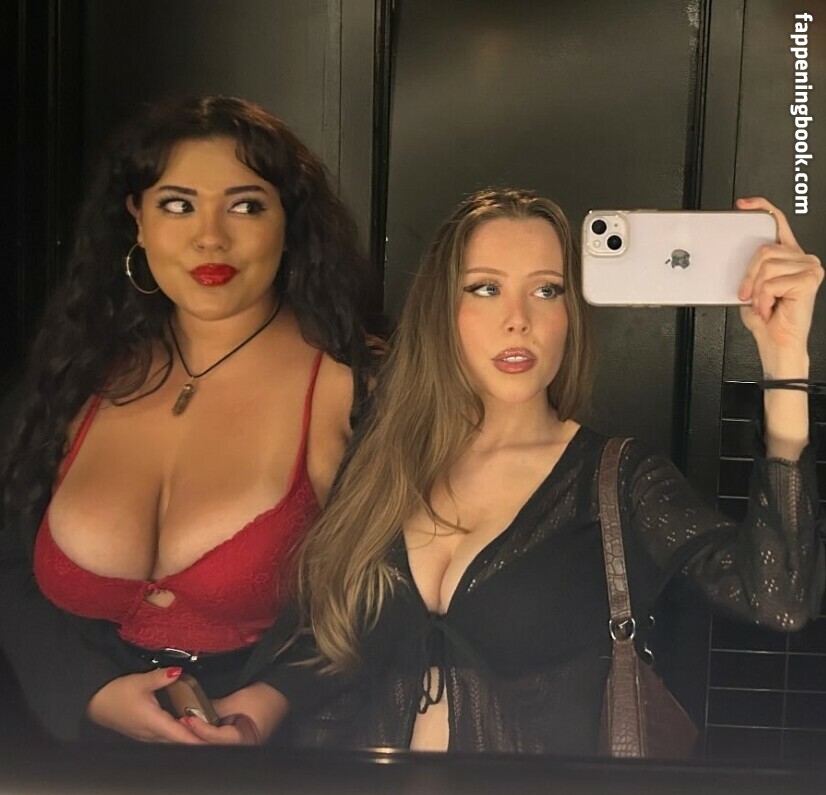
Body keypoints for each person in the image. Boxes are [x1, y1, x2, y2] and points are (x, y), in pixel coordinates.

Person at [193, 188, 823, 753]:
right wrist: (252, 712)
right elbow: (324, 638)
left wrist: (785, 359)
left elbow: (780, 597)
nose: (518, 317)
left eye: (547, 290)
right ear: (444, 309)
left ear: (571, 313)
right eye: (485, 288)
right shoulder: (384, 462)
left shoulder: (618, 479)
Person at [0, 95, 377, 744]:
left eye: (245, 206)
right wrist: (90, 691)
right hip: (61, 762)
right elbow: (7, 564)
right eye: (177, 205)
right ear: (137, 220)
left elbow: (401, 595)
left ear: (290, 222)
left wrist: (273, 699)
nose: (210, 237)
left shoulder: (357, 389)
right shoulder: (74, 375)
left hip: (275, 764)